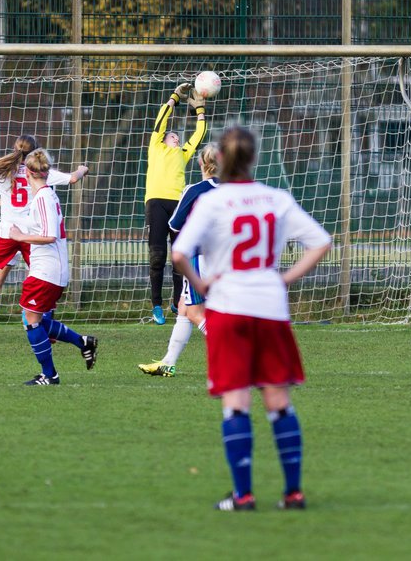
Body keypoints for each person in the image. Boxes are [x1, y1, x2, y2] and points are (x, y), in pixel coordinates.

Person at [171, 126, 332, 512]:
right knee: (278, 400)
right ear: (254, 158)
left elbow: (179, 254)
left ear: (221, 160)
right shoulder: (275, 198)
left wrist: (201, 283)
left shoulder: (211, 202)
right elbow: (321, 242)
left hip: (228, 308)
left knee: (237, 403)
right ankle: (293, 493)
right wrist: (285, 277)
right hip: (270, 307)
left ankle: (243, 496)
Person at [0, 135, 88, 340]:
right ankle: (48, 328)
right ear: (36, 153)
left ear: (14, 149)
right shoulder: (40, 172)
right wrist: (82, 168)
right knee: (43, 278)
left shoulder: (2, 172)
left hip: (7, 232)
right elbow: (73, 178)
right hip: (31, 235)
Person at [6, 149, 99, 385]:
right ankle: (83, 342)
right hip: (46, 269)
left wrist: (20, 236)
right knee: (33, 318)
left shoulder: (44, 198)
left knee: (31, 321)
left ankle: (50, 375)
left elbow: (49, 236)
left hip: (47, 270)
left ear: (27, 172)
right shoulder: (44, 196)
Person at [139, 144, 220, 377]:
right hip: (225, 258)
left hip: (199, 259)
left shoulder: (194, 190)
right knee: (184, 309)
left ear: (201, 164)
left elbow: (173, 224)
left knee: (195, 312)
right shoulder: (232, 191)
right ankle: (168, 362)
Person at [145, 81, 208, 324]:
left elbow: (199, 134)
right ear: (163, 140)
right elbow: (161, 123)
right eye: (172, 135)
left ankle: (175, 301)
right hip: (156, 203)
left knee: (179, 256)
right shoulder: (156, 147)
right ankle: (156, 305)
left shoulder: (183, 153)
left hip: (178, 206)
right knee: (157, 256)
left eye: (177, 136)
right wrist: (174, 98)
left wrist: (199, 109)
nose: (175, 136)